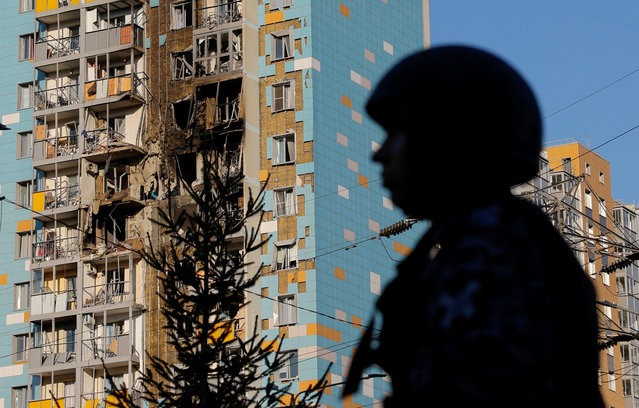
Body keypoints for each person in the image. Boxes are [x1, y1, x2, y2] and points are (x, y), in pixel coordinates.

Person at [343, 45, 604, 407]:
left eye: (395, 133)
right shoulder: (492, 237)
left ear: (443, 138)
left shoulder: (494, 250)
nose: (379, 153)